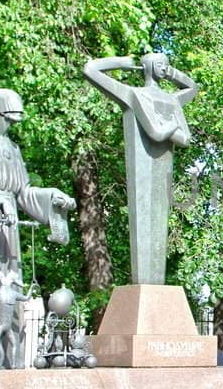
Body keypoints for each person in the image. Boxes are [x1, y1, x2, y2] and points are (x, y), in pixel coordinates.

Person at [0, 90, 74, 369]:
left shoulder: (14, 149)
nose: (14, 123)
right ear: (2, 114)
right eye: (12, 118)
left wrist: (53, 196)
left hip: (10, 228)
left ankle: (9, 360)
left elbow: (24, 192)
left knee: (12, 284)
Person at [82, 52, 197, 285]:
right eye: (160, 64)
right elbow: (90, 70)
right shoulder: (133, 94)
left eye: (167, 64)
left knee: (159, 219)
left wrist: (173, 72)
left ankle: (155, 284)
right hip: (141, 170)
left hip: (163, 169)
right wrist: (120, 64)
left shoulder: (171, 100)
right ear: (149, 66)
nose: (164, 68)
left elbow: (192, 87)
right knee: (143, 219)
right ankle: (144, 284)